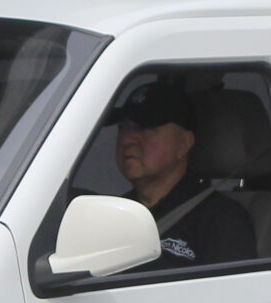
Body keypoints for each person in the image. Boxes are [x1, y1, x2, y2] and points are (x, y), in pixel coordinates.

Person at [109, 79, 256, 268]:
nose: (127, 139)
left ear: (184, 144)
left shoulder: (221, 220)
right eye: (123, 127)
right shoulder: (114, 214)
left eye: (146, 128)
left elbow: (228, 295)